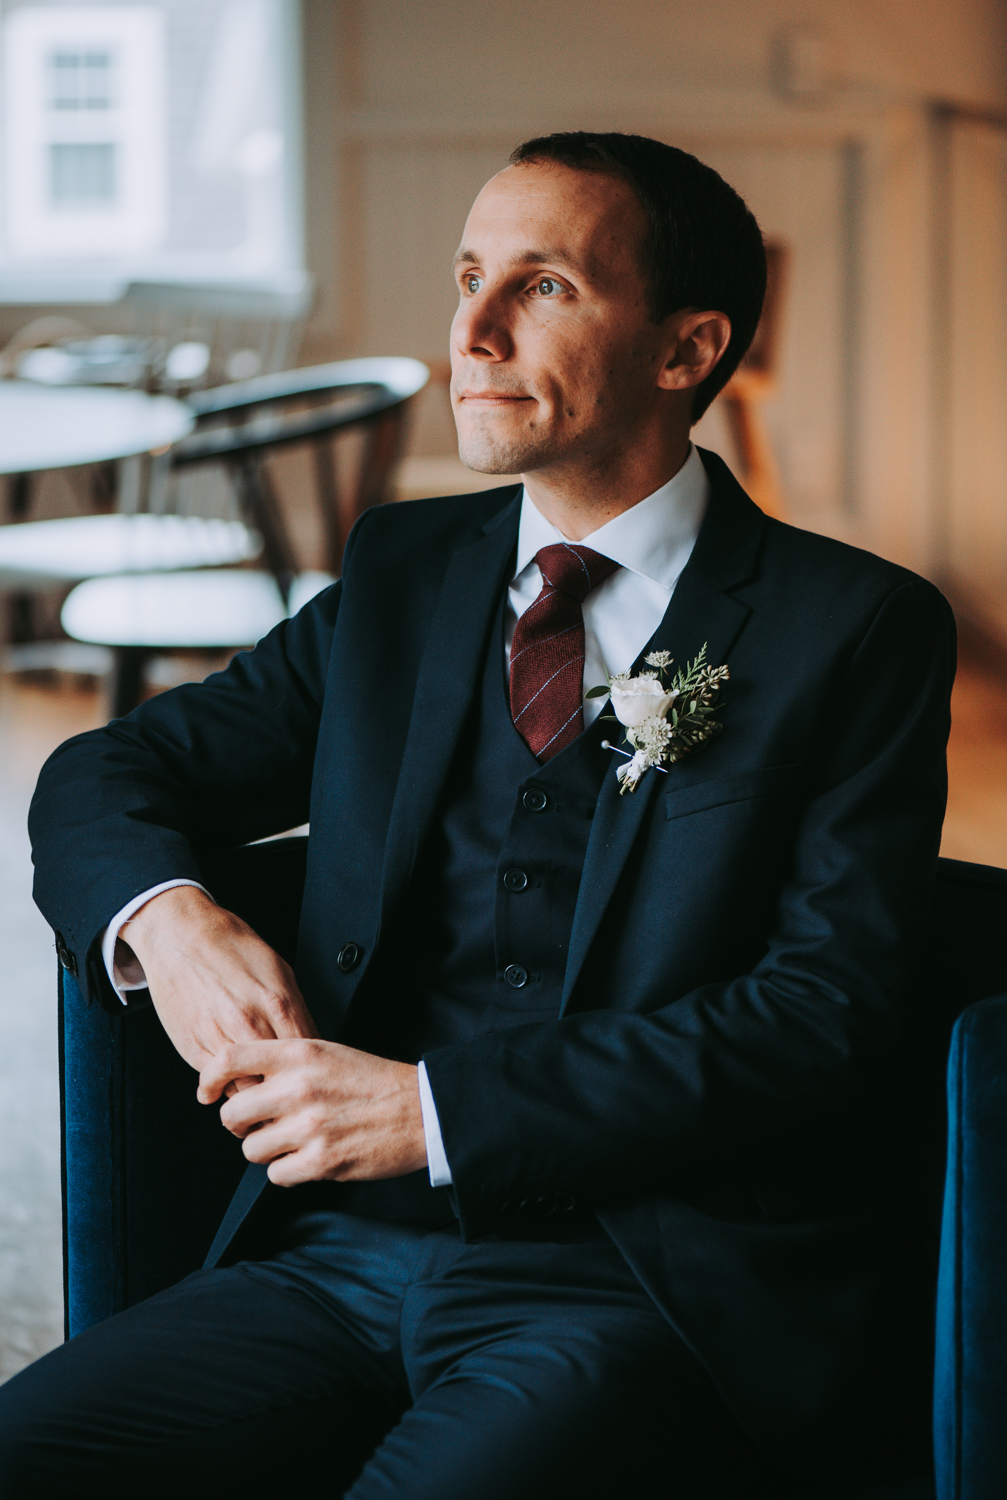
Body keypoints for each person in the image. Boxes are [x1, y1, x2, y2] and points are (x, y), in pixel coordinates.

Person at [0, 132, 954, 1498]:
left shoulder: (855, 630)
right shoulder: (402, 574)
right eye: (466, 278)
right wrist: (176, 920)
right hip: (333, 1259)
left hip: (633, 1284)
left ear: (686, 349)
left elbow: (825, 1019)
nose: (473, 329)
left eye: (544, 285)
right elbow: (105, 774)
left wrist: (434, 1112)